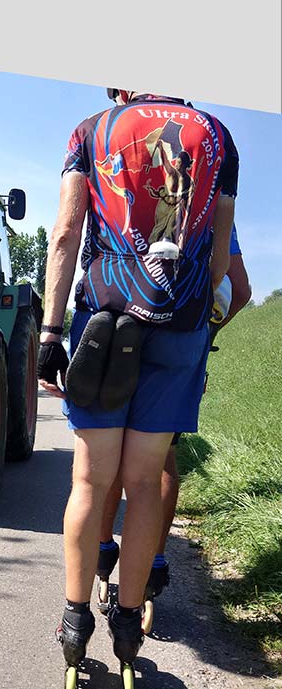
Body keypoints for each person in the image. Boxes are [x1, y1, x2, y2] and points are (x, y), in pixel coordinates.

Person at [39, 88, 239, 689]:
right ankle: (129, 628)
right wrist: (195, 321)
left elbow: (68, 231)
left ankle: (76, 628)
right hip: (180, 327)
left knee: (90, 481)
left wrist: (49, 333)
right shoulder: (217, 135)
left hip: (105, 323)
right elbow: (222, 243)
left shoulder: (94, 129)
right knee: (145, 482)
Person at [96, 224, 252, 622]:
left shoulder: (117, 169)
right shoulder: (207, 190)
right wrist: (205, 332)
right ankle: (155, 563)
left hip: (118, 336)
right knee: (160, 461)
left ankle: (102, 554)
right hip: (180, 339)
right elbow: (241, 291)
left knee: (109, 453)